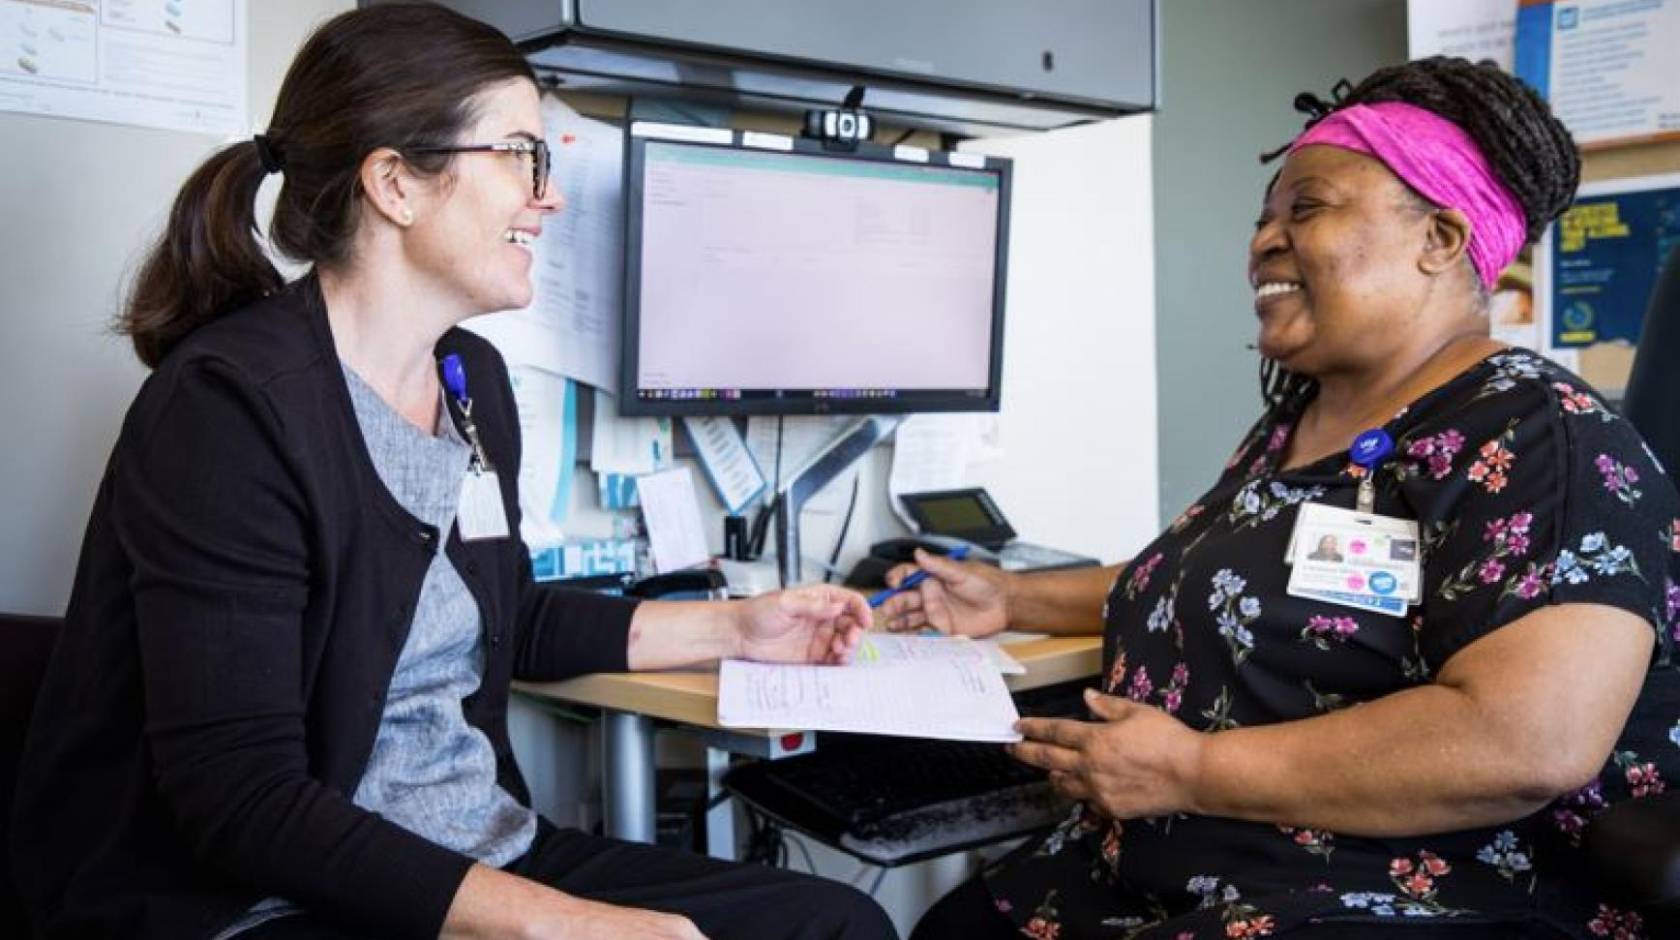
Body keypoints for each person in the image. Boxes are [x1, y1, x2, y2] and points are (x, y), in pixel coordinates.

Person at [8, 7, 896, 940]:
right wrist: (566, 926)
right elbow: (240, 798)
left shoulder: (471, 380)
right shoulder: (230, 409)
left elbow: (509, 611)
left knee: (833, 927)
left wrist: (740, 628)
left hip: (472, 849)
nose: (545, 197)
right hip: (253, 901)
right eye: (520, 154)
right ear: (394, 181)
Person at [885, 57, 1680, 939]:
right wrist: (1008, 597)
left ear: (1441, 239)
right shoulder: (1301, 426)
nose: (1263, 240)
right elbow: (1212, 579)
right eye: (1264, 217)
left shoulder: (1539, 437)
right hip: (1155, 869)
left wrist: (1192, 771)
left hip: (1387, 897)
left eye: (1306, 208)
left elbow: (1530, 740)